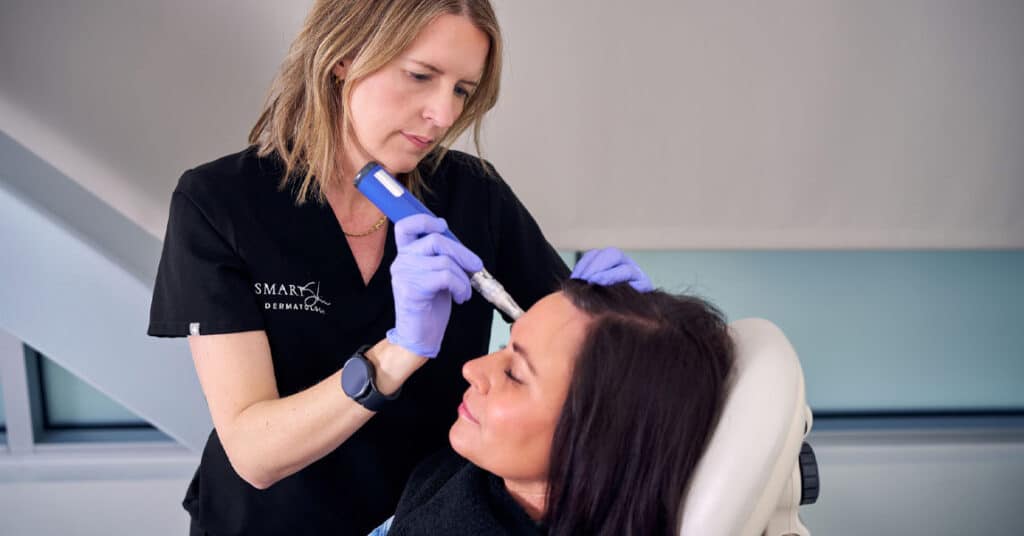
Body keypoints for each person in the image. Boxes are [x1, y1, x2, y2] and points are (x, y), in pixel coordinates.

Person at [147, 1, 652, 535]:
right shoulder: (220, 204)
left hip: (425, 521)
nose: (444, 114)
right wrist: (398, 352)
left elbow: (580, 353)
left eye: (461, 89)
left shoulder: (472, 195)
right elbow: (254, 454)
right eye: (420, 76)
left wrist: (627, 320)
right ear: (343, 56)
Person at [370, 280, 736, 535]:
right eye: (505, 346)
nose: (472, 369)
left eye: (514, 374)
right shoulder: (487, 477)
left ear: (596, 443)